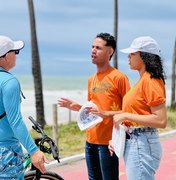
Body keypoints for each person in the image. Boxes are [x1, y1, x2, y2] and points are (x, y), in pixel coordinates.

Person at [58, 32, 130, 180]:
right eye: (92, 47)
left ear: (110, 51)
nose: (93, 50)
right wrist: (77, 107)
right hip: (90, 141)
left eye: (98, 47)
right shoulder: (91, 79)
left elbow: (129, 111)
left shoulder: (119, 78)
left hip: (108, 143)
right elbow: (92, 111)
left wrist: (106, 114)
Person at [108, 36, 167, 180]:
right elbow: (137, 112)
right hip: (137, 141)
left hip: (142, 144)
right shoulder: (143, 80)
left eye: (133, 53)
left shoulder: (151, 80)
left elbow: (161, 120)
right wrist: (118, 138)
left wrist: (126, 116)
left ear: (145, 56)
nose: (128, 56)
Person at [0, 35, 48, 179]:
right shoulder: (9, 82)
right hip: (5, 151)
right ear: (5, 56)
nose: (16, 55)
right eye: (15, 52)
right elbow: (15, 120)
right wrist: (33, 151)